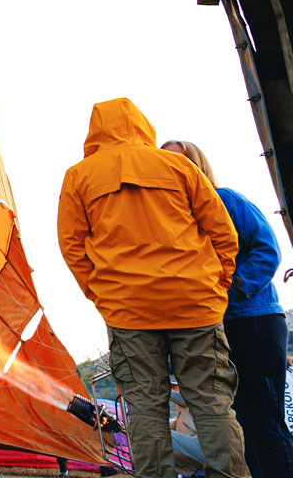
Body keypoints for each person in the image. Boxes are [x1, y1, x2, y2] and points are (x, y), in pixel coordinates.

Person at [57, 98, 248, 478]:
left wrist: (102, 295)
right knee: (212, 403)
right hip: (195, 303)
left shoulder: (79, 176)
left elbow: (71, 246)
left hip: (128, 310)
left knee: (144, 408)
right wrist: (217, 285)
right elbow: (223, 232)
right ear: (142, 126)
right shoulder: (178, 166)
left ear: (94, 132)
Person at [162, 139, 293, 478]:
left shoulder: (226, 200)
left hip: (254, 320)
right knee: (239, 419)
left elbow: (267, 249)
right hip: (213, 328)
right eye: (165, 163)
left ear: (197, 165)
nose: (173, 170)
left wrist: (229, 292)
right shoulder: (171, 221)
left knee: (265, 417)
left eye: (180, 162)